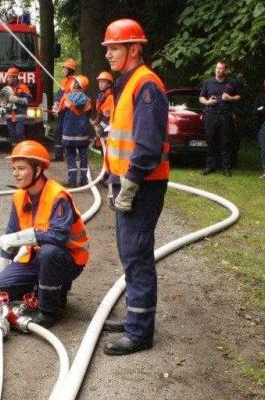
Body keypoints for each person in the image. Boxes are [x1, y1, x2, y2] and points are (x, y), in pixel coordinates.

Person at [101, 19, 170, 356]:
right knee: (128, 252)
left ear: (134, 49)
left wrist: (130, 183)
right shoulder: (128, 84)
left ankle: (140, 331)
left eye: (115, 47)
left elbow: (147, 145)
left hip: (142, 184)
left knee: (137, 253)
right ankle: (134, 317)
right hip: (127, 181)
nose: (109, 54)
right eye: (108, 48)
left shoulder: (146, 86)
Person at [0, 140, 89, 328]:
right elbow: (10, 237)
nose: (15, 174)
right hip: (35, 258)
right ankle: (47, 291)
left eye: (21, 169)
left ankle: (50, 311)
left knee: (49, 252)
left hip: (68, 260)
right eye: (13, 168)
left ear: (37, 170)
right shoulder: (19, 196)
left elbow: (58, 237)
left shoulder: (58, 195)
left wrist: (17, 238)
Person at [199, 61, 240, 176]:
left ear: (225, 70)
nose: (218, 70)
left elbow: (239, 96)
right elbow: (201, 98)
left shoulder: (232, 82)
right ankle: (210, 167)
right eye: (217, 68)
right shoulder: (208, 82)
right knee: (210, 140)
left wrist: (229, 98)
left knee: (225, 142)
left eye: (221, 68)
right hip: (211, 115)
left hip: (226, 116)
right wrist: (208, 102)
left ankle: (226, 168)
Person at [62, 75, 93, 187]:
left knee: (70, 155)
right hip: (83, 135)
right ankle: (84, 180)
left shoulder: (66, 98)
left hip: (69, 134)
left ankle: (72, 180)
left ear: (76, 84)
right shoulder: (88, 100)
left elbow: (59, 113)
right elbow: (89, 114)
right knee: (83, 155)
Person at [52, 58, 77, 161]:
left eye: (64, 69)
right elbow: (59, 95)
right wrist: (55, 105)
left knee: (68, 132)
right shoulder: (64, 81)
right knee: (58, 131)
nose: (63, 70)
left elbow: (73, 97)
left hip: (70, 112)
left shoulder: (75, 82)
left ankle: (70, 154)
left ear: (69, 70)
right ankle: (59, 155)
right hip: (62, 111)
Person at [94, 71, 115, 185]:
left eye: (103, 82)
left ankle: (110, 177)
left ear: (109, 84)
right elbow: (100, 113)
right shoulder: (102, 96)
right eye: (99, 81)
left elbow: (107, 116)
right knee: (104, 154)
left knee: (109, 154)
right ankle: (106, 175)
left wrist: (100, 128)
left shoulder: (110, 97)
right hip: (103, 130)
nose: (100, 84)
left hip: (109, 131)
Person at [3, 66, 32, 146]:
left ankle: (23, 151)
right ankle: (15, 152)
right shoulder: (6, 88)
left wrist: (16, 99)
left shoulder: (23, 88)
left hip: (19, 115)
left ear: (15, 78)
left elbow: (28, 101)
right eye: (7, 77)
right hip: (9, 116)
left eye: (9, 77)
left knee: (20, 133)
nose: (7, 79)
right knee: (13, 136)